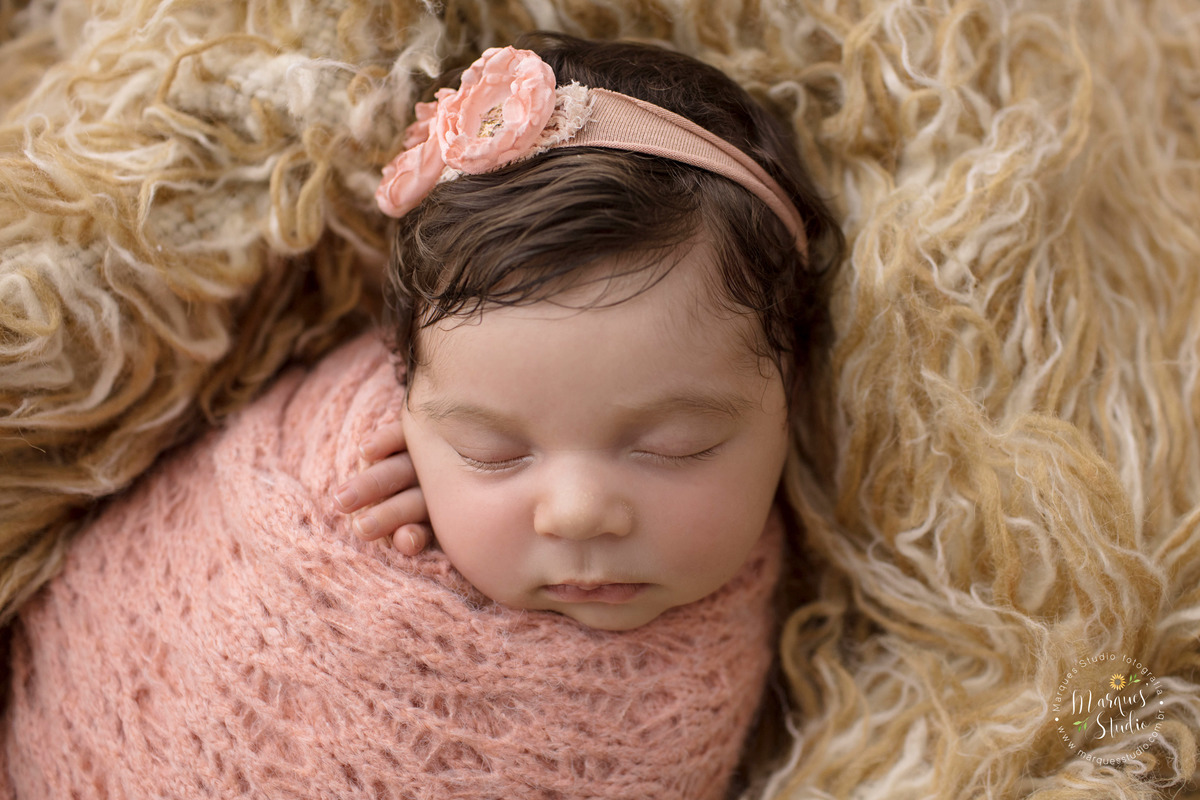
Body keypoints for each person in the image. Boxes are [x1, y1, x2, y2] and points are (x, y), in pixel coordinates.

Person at [334, 31, 843, 633]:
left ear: (794, 387)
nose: (577, 515)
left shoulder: (821, 612)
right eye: (490, 453)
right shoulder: (354, 491)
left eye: (675, 446)